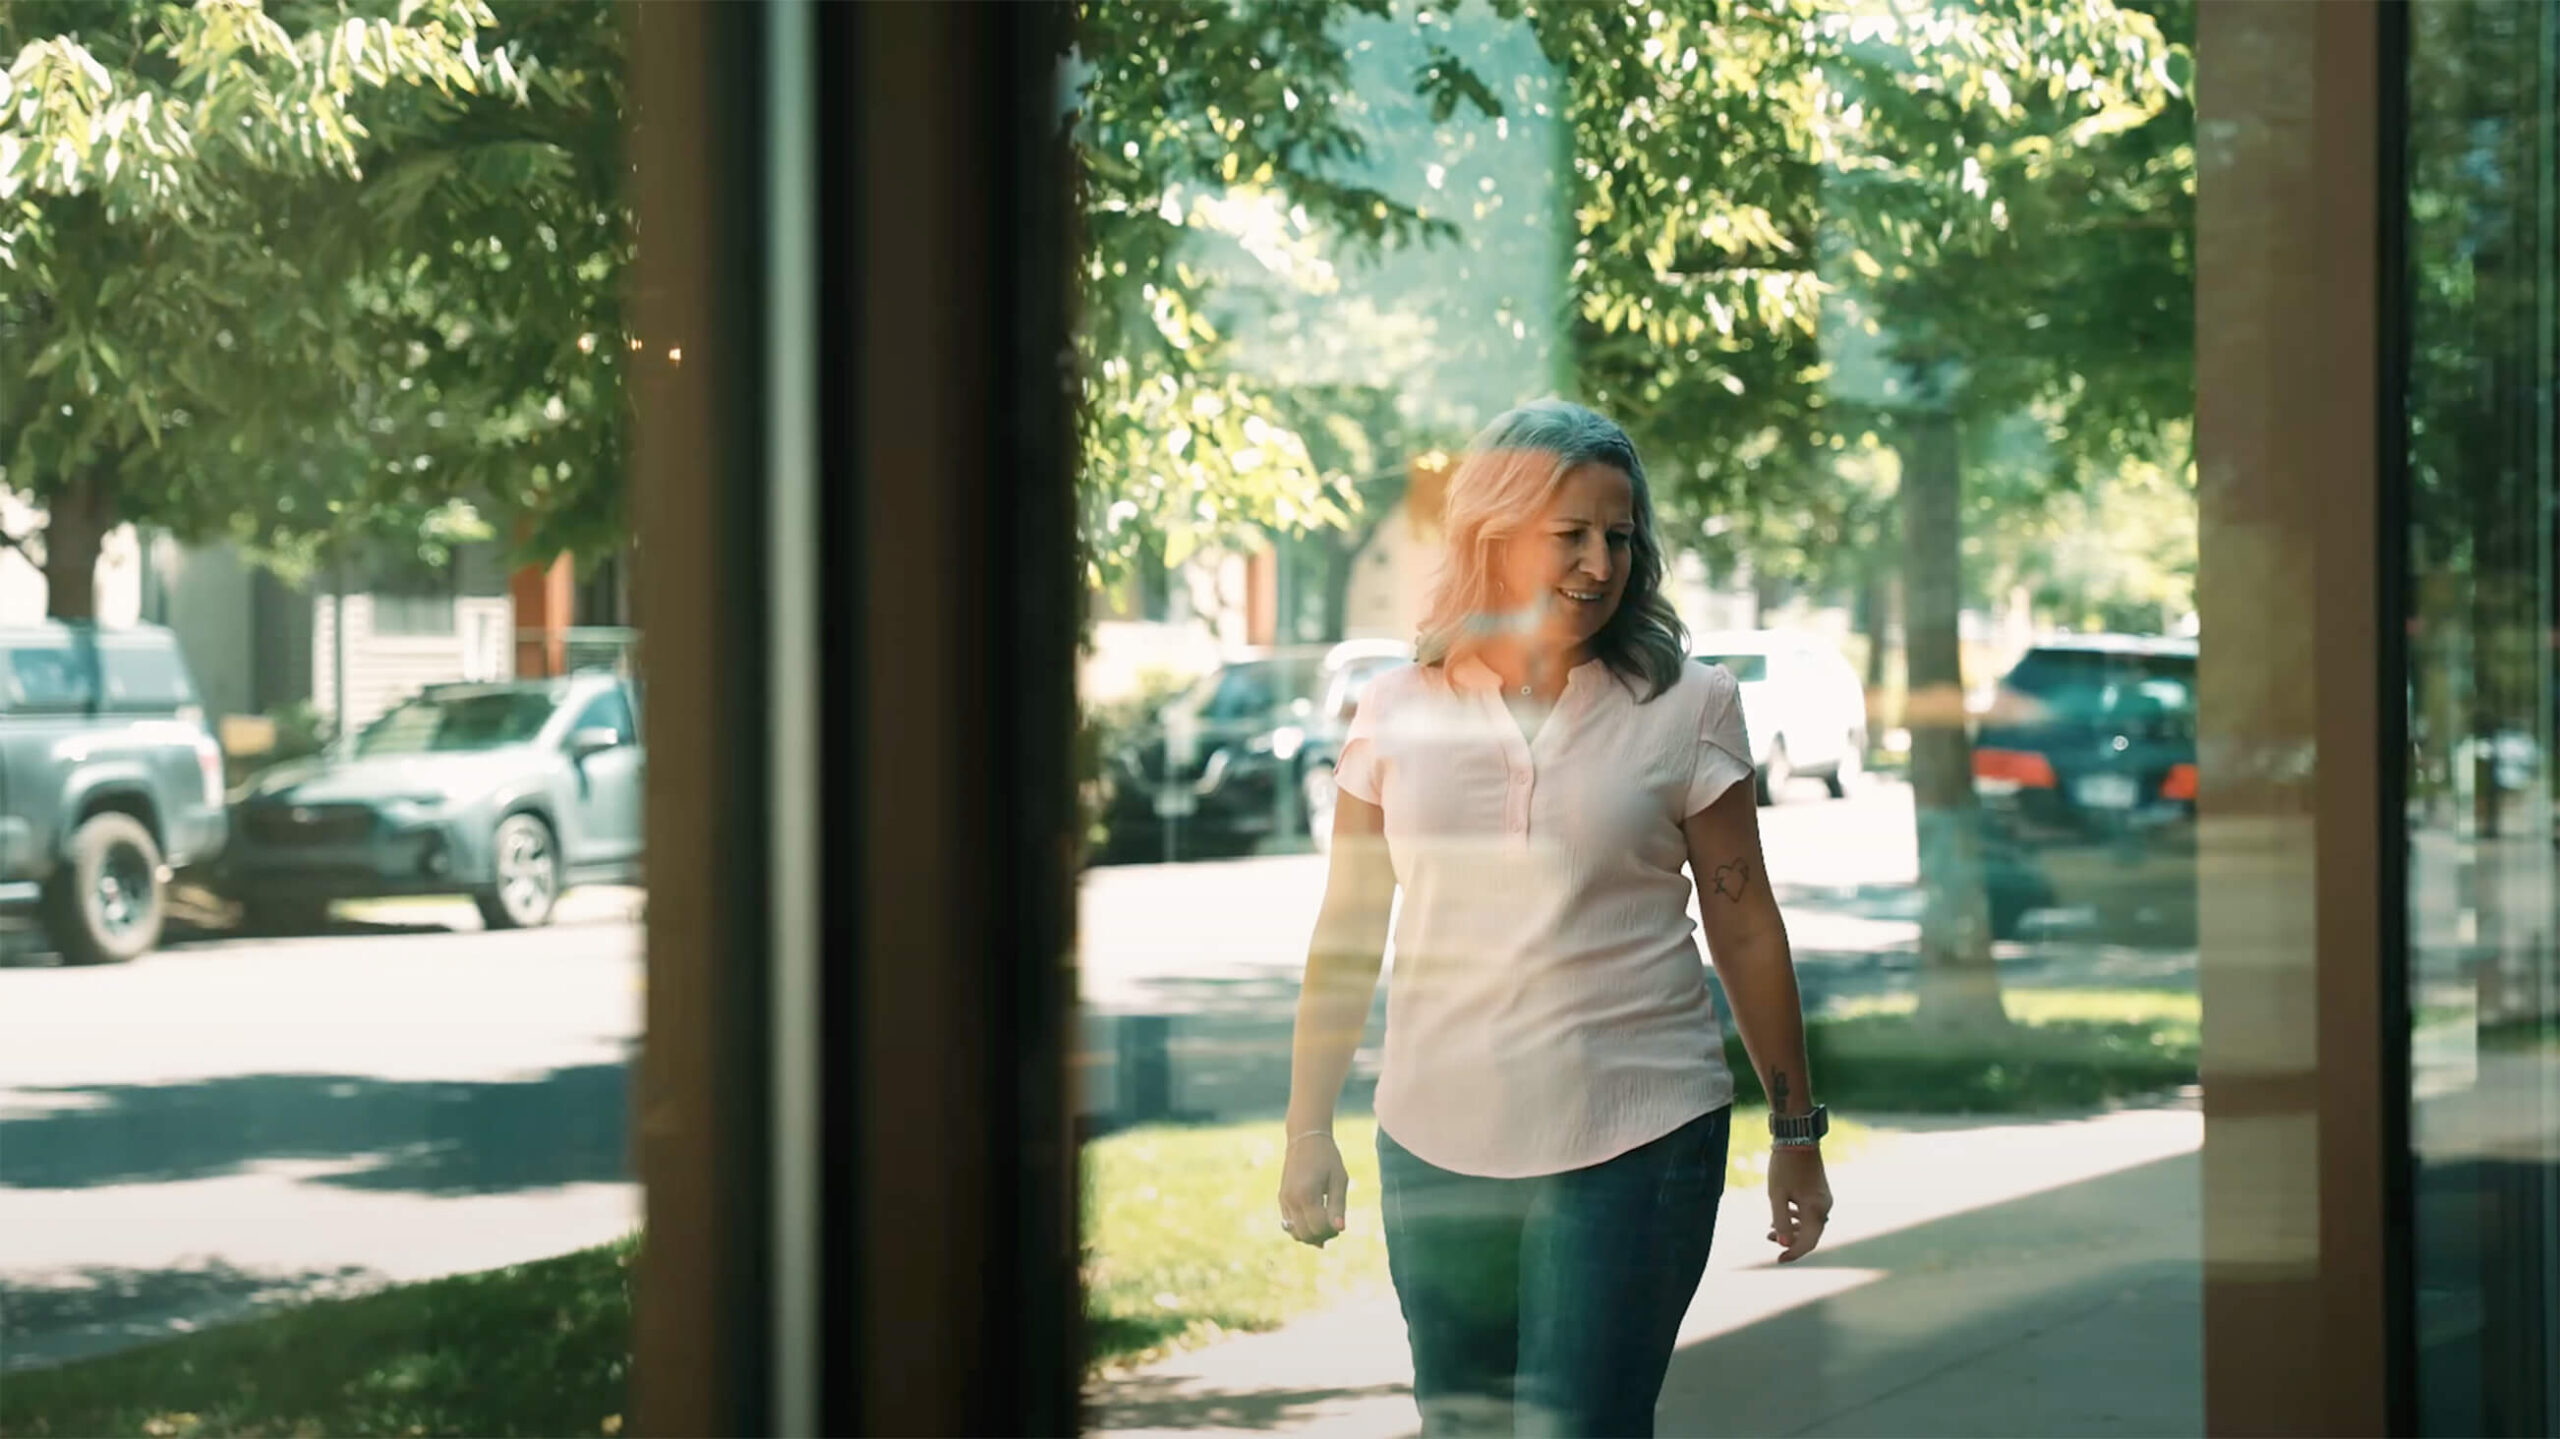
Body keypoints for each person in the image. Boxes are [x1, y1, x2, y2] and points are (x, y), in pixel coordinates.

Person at [1276, 399, 1834, 1437]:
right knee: (1463, 1424)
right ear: (1493, 533)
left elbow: (1745, 925)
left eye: (1619, 536)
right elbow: (1348, 926)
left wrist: (1794, 1129)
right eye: (1568, 533)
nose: (1599, 562)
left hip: (1636, 1127)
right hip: (1434, 1135)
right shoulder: (1397, 705)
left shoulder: (1689, 702)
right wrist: (1309, 1126)